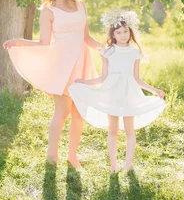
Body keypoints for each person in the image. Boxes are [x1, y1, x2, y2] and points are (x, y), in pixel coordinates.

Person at [3, 0, 102, 169]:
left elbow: (87, 38)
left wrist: (106, 49)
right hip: (62, 64)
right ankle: (52, 156)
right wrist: (20, 42)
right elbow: (43, 43)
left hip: (82, 62)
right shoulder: (49, 11)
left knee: (79, 113)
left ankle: (72, 157)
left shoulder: (80, 5)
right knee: (62, 111)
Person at [68, 10, 166, 173]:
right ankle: (113, 165)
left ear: (130, 32)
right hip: (111, 93)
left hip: (129, 94)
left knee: (129, 130)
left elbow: (137, 79)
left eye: (125, 31)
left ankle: (128, 165)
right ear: (113, 34)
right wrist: (85, 82)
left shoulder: (135, 52)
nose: (123, 35)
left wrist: (154, 90)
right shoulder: (108, 51)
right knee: (112, 130)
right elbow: (102, 77)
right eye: (118, 32)